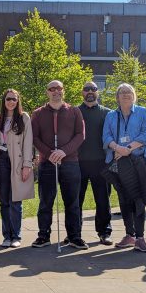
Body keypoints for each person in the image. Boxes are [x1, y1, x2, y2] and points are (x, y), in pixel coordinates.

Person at [31, 80, 87, 250]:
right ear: (47, 92)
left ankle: (74, 236)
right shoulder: (38, 113)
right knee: (46, 201)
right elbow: (34, 138)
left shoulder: (74, 111)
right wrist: (50, 154)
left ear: (63, 91)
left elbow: (80, 135)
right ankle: (43, 235)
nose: (56, 91)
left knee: (72, 202)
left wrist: (63, 152)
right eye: (52, 89)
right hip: (47, 164)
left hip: (70, 162)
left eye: (59, 88)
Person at [102, 83, 146, 253]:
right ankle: (129, 235)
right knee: (124, 199)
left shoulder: (143, 112)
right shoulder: (111, 115)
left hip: (137, 162)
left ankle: (140, 238)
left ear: (134, 96)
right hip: (118, 163)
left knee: (139, 200)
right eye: (122, 92)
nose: (125, 95)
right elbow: (106, 136)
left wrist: (128, 148)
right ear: (117, 97)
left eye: (129, 92)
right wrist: (118, 148)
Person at [0, 89, 34, 248]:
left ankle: (16, 236)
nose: (11, 102)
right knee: (4, 200)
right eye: (8, 99)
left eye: (14, 99)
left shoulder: (24, 118)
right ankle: (6, 236)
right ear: (4, 100)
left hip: (17, 161)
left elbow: (28, 142)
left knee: (16, 200)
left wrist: (27, 165)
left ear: (18, 101)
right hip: (0, 160)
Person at [77, 81, 113, 245]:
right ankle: (74, 232)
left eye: (93, 89)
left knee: (103, 199)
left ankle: (104, 232)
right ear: (82, 92)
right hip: (78, 163)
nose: (90, 91)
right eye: (87, 89)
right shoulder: (74, 112)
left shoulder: (108, 113)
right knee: (76, 200)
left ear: (98, 92)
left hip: (101, 163)